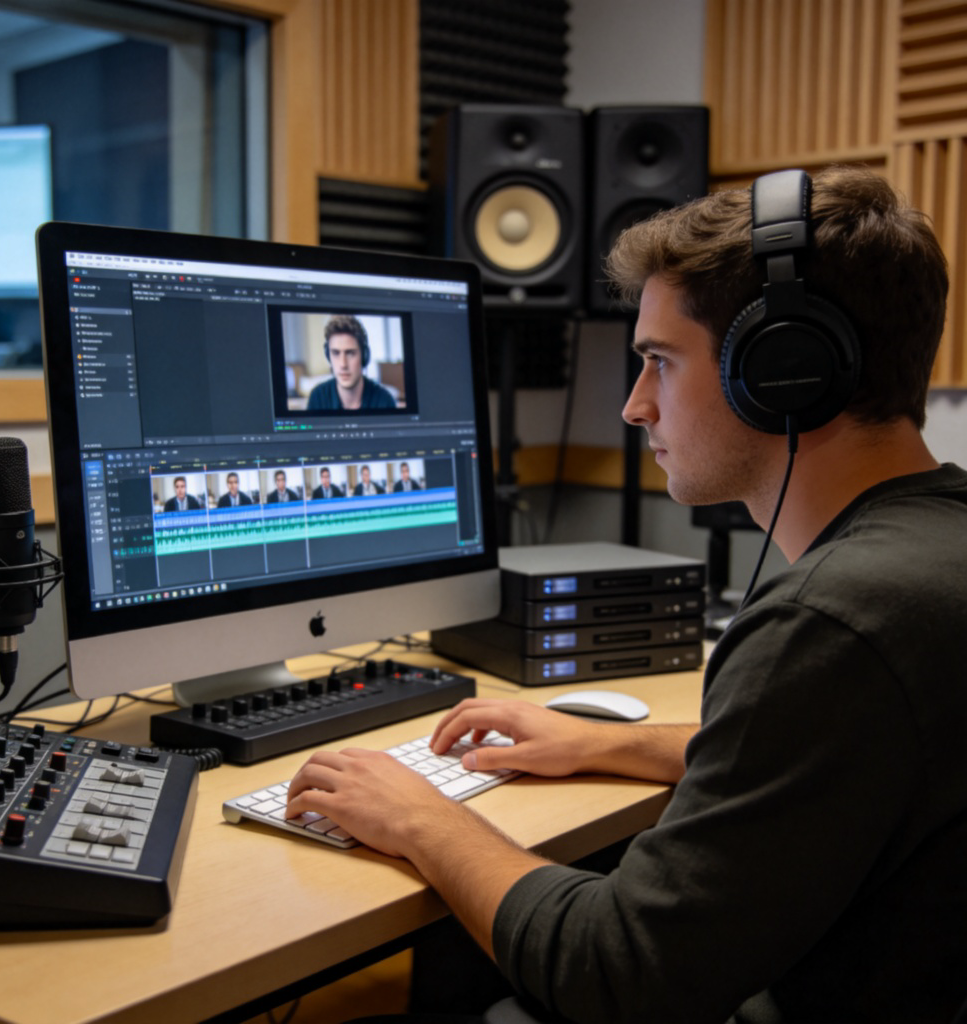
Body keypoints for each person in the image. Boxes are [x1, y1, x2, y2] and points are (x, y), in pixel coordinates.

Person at [286, 166, 967, 1024]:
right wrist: (608, 744)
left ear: (782, 370)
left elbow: (619, 971)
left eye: (659, 362)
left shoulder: (832, 621)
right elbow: (833, 763)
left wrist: (419, 816)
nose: (634, 406)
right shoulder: (934, 558)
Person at [307, 314, 397, 411]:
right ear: (328, 356)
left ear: (364, 356)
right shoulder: (317, 398)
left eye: (350, 353)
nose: (343, 364)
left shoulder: (385, 401)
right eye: (336, 353)